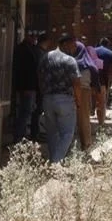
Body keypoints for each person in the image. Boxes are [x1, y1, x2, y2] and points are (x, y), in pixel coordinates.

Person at [39, 33, 82, 163]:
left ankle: (54, 160)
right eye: (72, 44)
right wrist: (79, 101)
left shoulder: (45, 57)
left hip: (47, 99)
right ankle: (55, 162)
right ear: (64, 44)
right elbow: (76, 82)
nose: (74, 48)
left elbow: (39, 78)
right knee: (67, 134)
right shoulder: (69, 60)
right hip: (65, 100)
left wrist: (43, 95)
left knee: (51, 133)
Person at [11, 31, 42, 144]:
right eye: (33, 36)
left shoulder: (27, 49)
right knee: (25, 113)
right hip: (27, 87)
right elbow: (26, 71)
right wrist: (28, 88)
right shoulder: (25, 50)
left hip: (27, 87)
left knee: (26, 112)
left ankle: (21, 136)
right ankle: (19, 138)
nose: (35, 38)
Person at [74, 38, 100, 150]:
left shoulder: (71, 63)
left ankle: (76, 144)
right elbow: (96, 85)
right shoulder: (90, 65)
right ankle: (86, 143)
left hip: (72, 93)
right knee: (84, 119)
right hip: (85, 93)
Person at [30, 32, 52, 140]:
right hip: (39, 86)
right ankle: (34, 134)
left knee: (37, 110)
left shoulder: (37, 51)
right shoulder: (40, 53)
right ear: (46, 41)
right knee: (37, 110)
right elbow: (41, 71)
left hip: (37, 85)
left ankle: (36, 131)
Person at [94, 38, 112, 126]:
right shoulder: (109, 53)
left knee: (93, 100)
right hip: (103, 80)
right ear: (108, 45)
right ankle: (101, 122)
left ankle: (92, 115)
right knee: (102, 101)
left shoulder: (94, 51)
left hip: (91, 79)